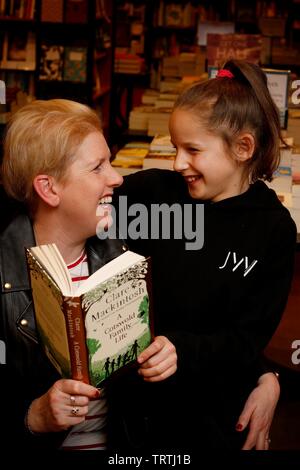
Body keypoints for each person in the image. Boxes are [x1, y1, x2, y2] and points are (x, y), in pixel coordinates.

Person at [113, 60, 297, 449]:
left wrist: (184, 347)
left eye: (193, 150)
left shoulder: (273, 230)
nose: (178, 162)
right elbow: (86, 195)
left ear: (244, 147)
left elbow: (246, 339)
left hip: (211, 411)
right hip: (139, 405)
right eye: (175, 147)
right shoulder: (157, 195)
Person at [0, 98, 177, 451]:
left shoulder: (124, 250)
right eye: (97, 168)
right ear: (49, 189)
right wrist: (32, 417)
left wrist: (167, 352)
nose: (117, 178)